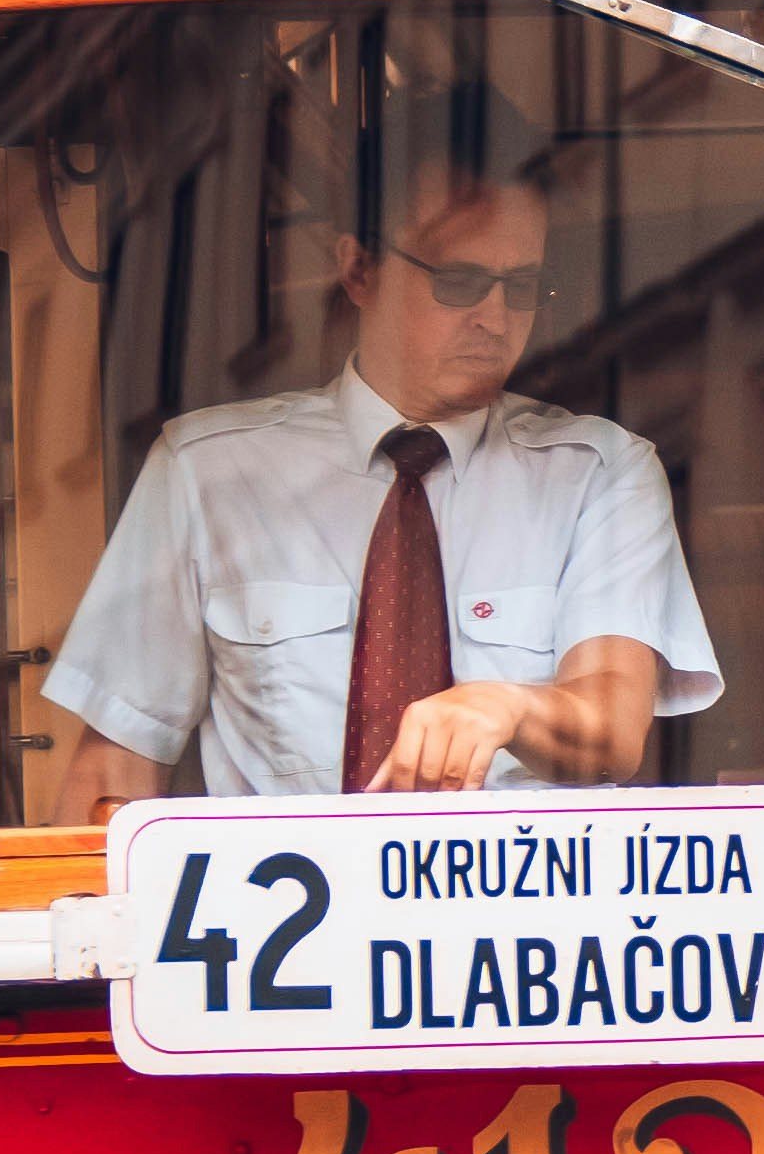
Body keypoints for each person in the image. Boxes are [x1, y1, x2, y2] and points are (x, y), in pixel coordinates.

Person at [46, 157, 721, 807]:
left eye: (522, 287)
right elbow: (113, 771)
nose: (495, 318)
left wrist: (508, 704)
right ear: (358, 269)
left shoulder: (597, 474)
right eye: (458, 281)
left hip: (514, 911)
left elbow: (613, 724)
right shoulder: (207, 472)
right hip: (286, 908)